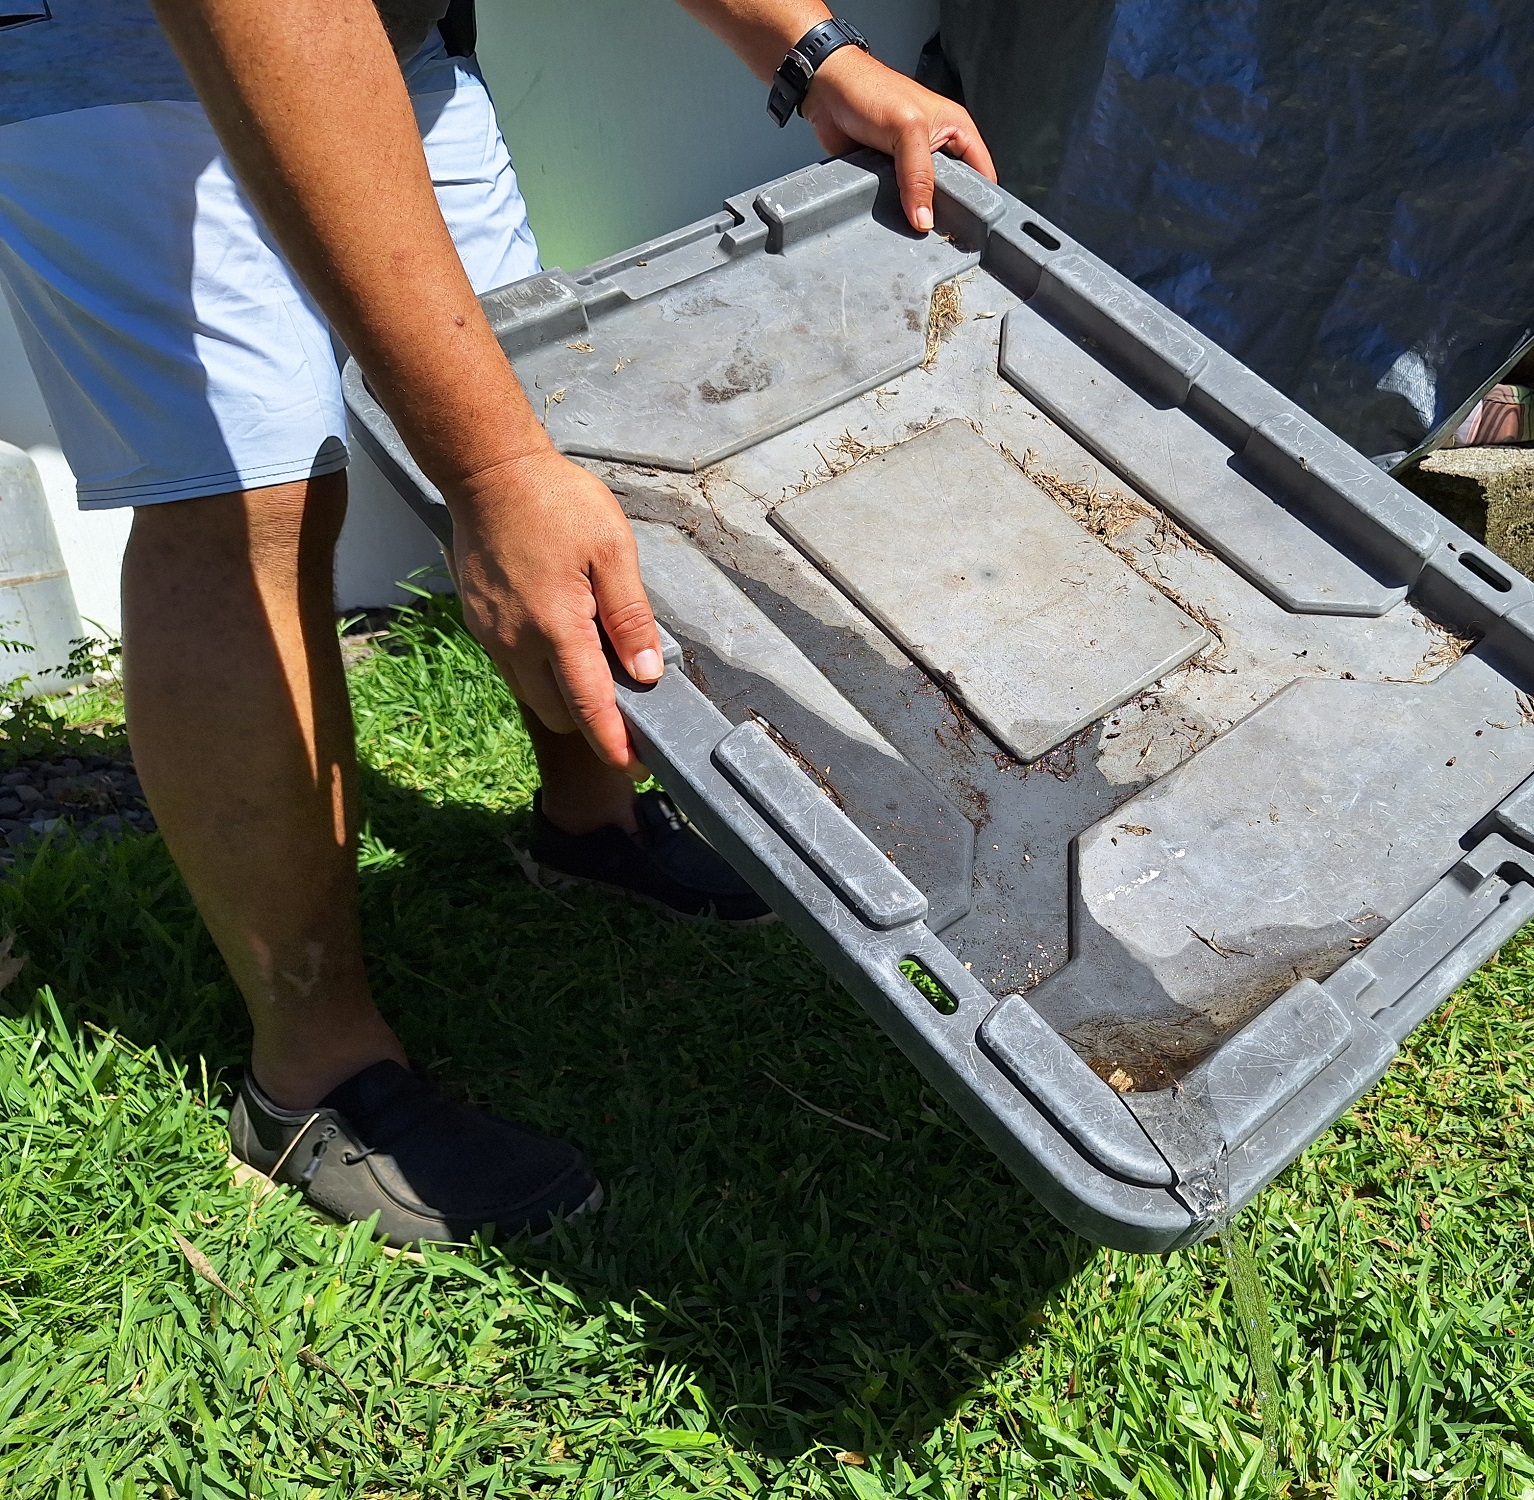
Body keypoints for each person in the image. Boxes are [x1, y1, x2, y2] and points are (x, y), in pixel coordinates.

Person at [0, 0, 993, 1245]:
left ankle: (593, 823)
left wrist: (809, 54)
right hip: (131, 51)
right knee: (253, 501)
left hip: (391, 36)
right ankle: (309, 1078)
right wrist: (486, 481)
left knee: (546, 403)